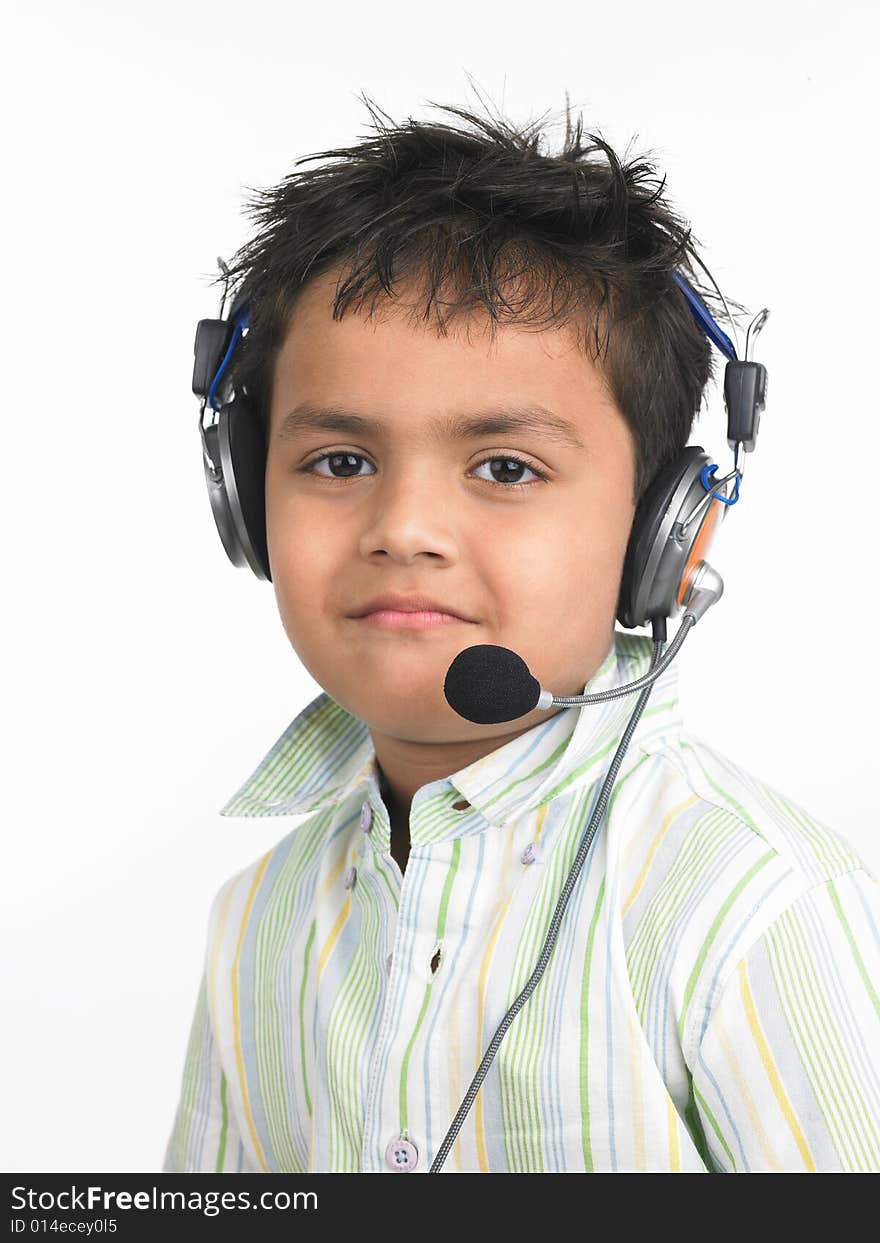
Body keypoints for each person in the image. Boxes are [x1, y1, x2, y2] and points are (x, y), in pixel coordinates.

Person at [163, 99, 880, 1174]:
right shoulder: (257, 921)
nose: (403, 528)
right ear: (243, 502)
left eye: (505, 468)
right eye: (340, 462)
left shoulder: (750, 904)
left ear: (665, 533)